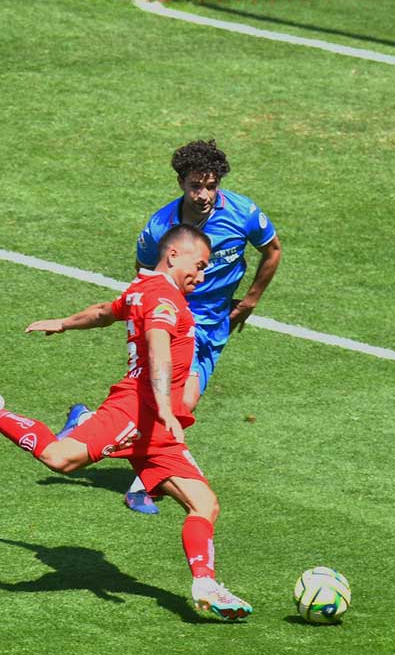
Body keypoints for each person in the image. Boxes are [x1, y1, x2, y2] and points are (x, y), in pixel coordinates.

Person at [0, 225, 253, 621]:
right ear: (174, 255)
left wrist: (65, 322)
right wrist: (167, 408)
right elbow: (157, 351)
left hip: (156, 426)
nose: (203, 275)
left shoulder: (143, 289)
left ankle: (205, 583)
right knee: (60, 459)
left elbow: (105, 313)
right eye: (201, 264)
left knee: (204, 504)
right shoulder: (163, 300)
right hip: (138, 411)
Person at [61, 140, 281, 514]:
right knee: (183, 401)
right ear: (181, 182)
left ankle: (88, 422)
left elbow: (272, 250)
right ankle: (144, 483)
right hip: (179, 319)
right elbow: (143, 274)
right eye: (196, 185)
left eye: (211, 186)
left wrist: (250, 300)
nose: (204, 195)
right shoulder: (161, 226)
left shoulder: (242, 212)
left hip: (216, 327)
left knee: (180, 402)